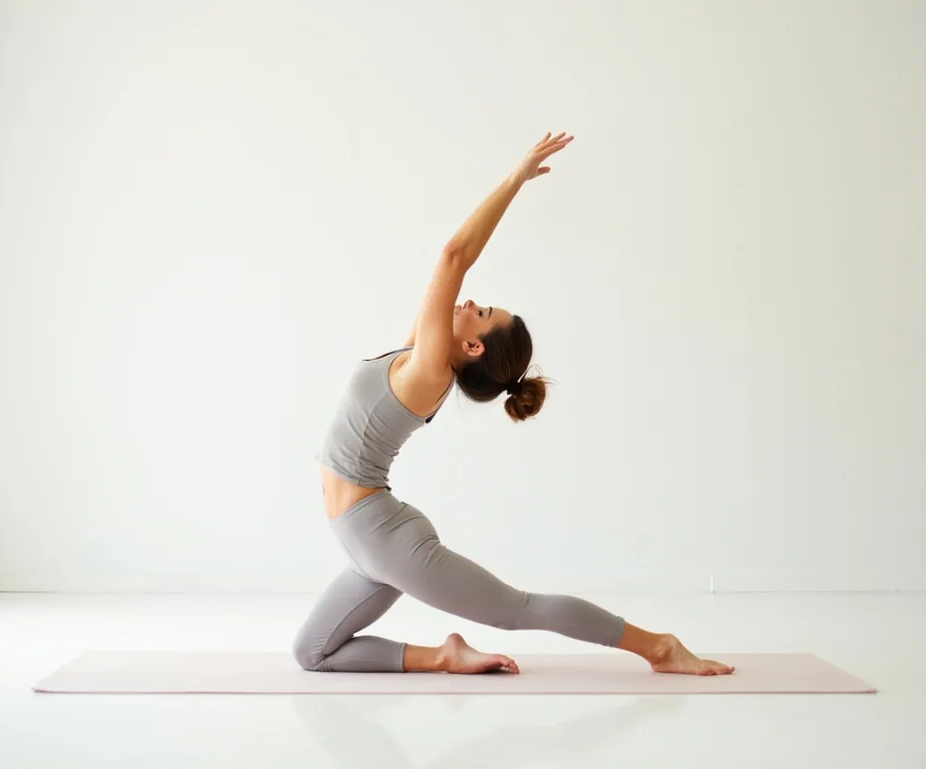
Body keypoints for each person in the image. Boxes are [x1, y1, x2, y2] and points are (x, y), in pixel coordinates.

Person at [293, 132, 734, 677]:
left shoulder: (428, 372)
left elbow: (453, 256)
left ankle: (658, 647)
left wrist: (515, 178)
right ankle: (445, 657)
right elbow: (450, 271)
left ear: (471, 347)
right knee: (310, 653)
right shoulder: (414, 358)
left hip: (384, 539)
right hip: (364, 542)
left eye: (481, 313)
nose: (470, 301)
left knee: (516, 609)